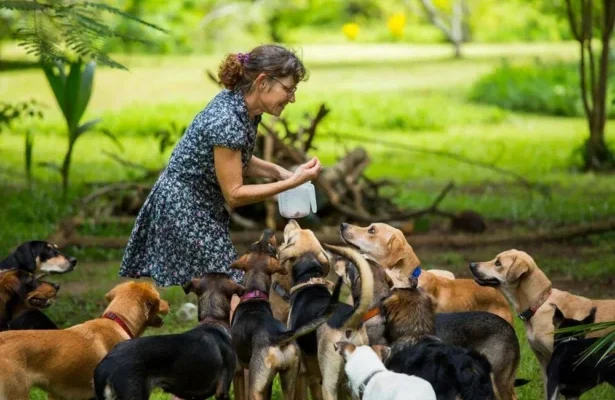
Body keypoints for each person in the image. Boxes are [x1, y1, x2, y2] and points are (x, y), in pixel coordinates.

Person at [118, 44, 322, 299]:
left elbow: (237, 159)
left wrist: (282, 173)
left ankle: (221, 336)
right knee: (233, 288)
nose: (292, 98)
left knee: (222, 288)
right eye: (288, 89)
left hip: (198, 205)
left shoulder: (244, 108)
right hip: (184, 209)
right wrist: (291, 184)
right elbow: (235, 194)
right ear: (262, 82)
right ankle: (238, 338)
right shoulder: (228, 118)